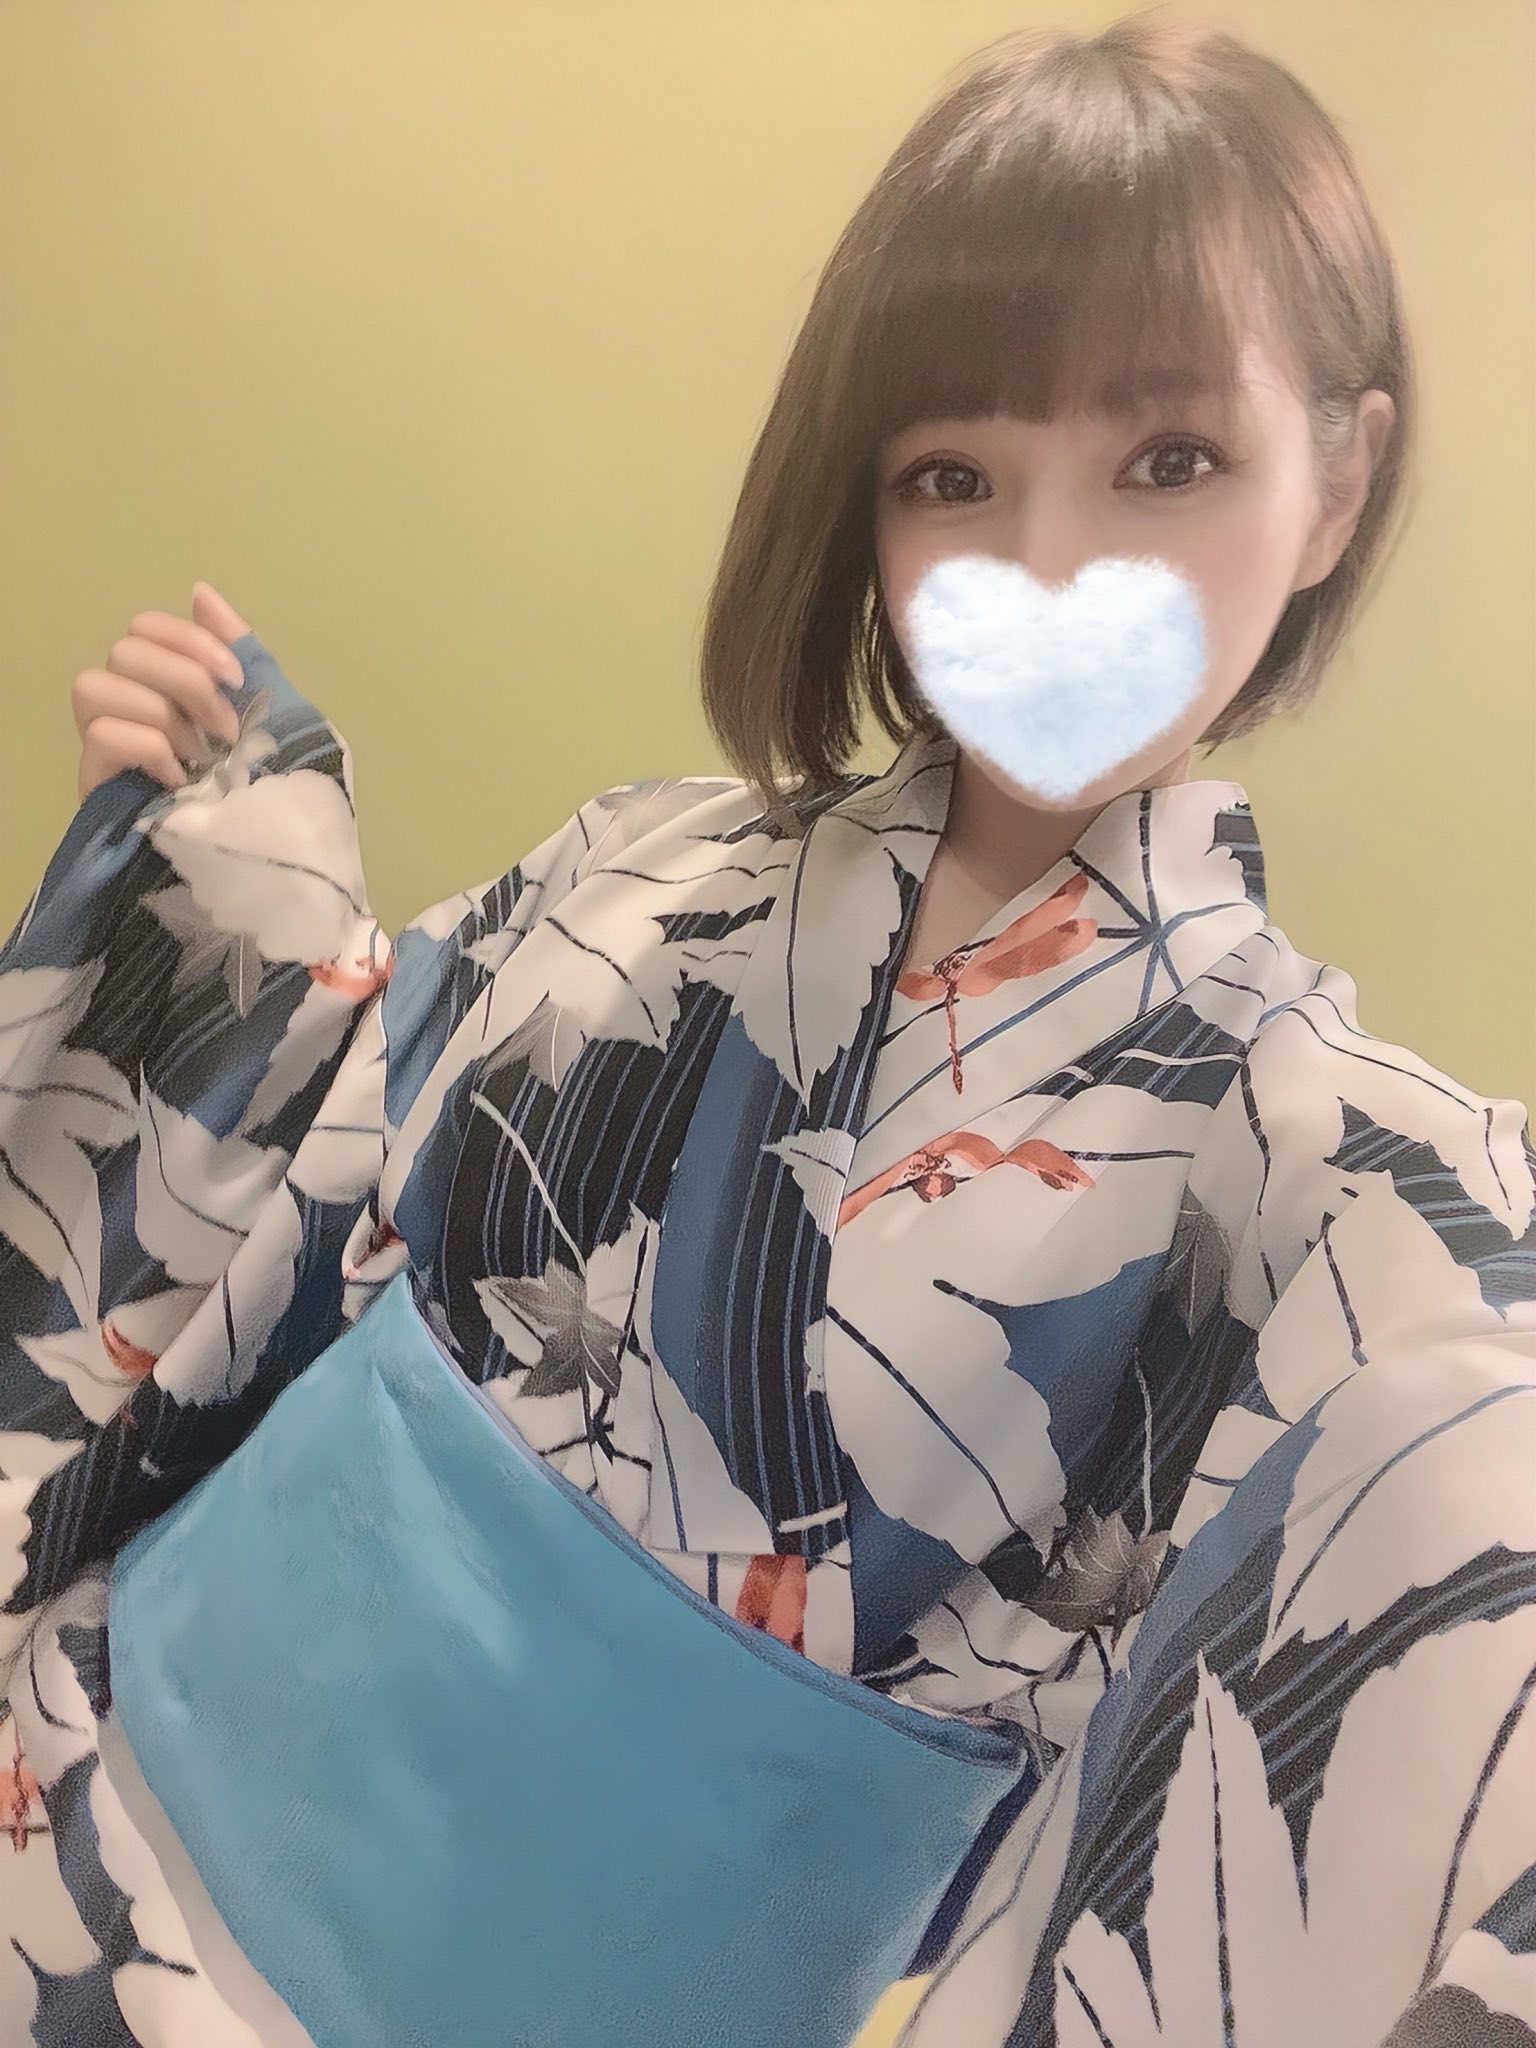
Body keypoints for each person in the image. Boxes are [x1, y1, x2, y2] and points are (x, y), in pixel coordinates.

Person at [3, 11, 1533, 2046]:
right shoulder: (641, 861)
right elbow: (324, 1129)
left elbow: (1445, 1578)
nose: (1047, 565)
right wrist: (210, 889)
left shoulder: (1343, 1184)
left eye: (1168, 461)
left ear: (1336, 481)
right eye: (953, 474)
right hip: (69, 1811)